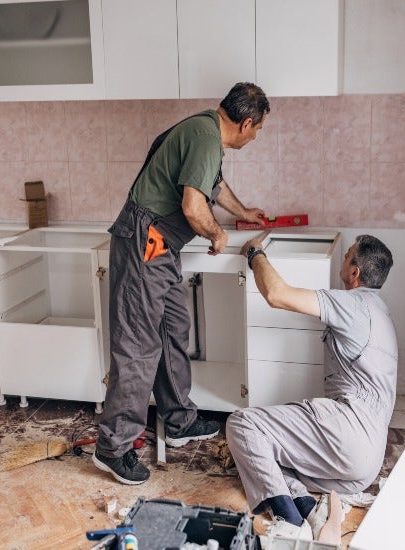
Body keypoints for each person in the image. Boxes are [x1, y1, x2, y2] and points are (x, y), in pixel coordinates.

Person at [93, 82, 270, 485]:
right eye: (259, 129)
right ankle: (112, 447)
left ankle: (178, 420)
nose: (257, 136)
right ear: (246, 123)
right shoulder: (206, 137)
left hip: (160, 245)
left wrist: (244, 212)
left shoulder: (204, 130)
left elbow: (214, 186)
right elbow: (194, 206)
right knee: (138, 344)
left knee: (174, 326)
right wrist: (216, 234)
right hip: (146, 239)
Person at [226, 234, 397, 540]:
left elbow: (277, 294)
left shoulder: (352, 304)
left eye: (347, 257)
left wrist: (254, 252)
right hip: (365, 467)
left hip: (349, 434)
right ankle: (311, 511)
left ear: (355, 273)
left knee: (242, 425)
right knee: (271, 457)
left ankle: (289, 525)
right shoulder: (381, 311)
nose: (343, 261)